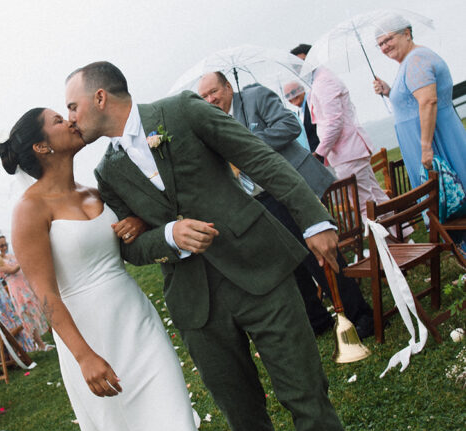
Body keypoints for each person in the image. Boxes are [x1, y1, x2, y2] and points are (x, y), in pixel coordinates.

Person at [65, 61, 402, 431]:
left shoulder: (180, 112)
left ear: (102, 97)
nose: (71, 118)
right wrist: (169, 235)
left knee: (308, 402)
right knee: (245, 421)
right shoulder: (107, 172)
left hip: (262, 274)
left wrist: (314, 218)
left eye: (72, 106)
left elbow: (260, 159)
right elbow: (132, 245)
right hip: (198, 305)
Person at [0, 108, 264, 431]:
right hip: (89, 339)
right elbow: (45, 295)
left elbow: (133, 240)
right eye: (57, 119)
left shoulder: (96, 192)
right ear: (40, 147)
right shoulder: (30, 210)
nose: (70, 119)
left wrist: (140, 223)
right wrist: (83, 355)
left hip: (137, 325)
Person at [197, 72, 375, 339]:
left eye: (214, 92)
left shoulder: (256, 97)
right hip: (258, 200)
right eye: (204, 96)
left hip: (293, 190)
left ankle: (360, 315)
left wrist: (246, 145)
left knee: (318, 255)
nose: (211, 99)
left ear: (228, 87)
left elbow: (290, 126)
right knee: (288, 262)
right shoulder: (212, 121)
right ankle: (318, 321)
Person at [290, 43, 388, 221]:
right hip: (350, 150)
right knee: (377, 199)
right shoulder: (317, 82)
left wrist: (319, 153)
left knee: (365, 206)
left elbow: (334, 122)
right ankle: (403, 240)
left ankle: (386, 246)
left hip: (347, 152)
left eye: (302, 62)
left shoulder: (323, 81)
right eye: (295, 65)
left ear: (312, 60)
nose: (299, 68)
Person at [373, 21, 466, 190]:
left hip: (438, 139)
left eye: (388, 40)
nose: (385, 47)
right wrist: (389, 91)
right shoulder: (409, 61)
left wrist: (426, 148)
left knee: (448, 198)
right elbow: (414, 99)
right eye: (380, 44)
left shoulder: (416, 59)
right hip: (430, 137)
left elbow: (428, 101)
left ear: (407, 34)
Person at [0, 234, 49, 350]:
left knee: (35, 310)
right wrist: (23, 258)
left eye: (6, 244)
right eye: (1, 246)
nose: (5, 247)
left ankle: (40, 341)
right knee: (27, 315)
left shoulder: (10, 256)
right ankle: (39, 344)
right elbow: (11, 270)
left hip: (25, 285)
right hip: (17, 290)